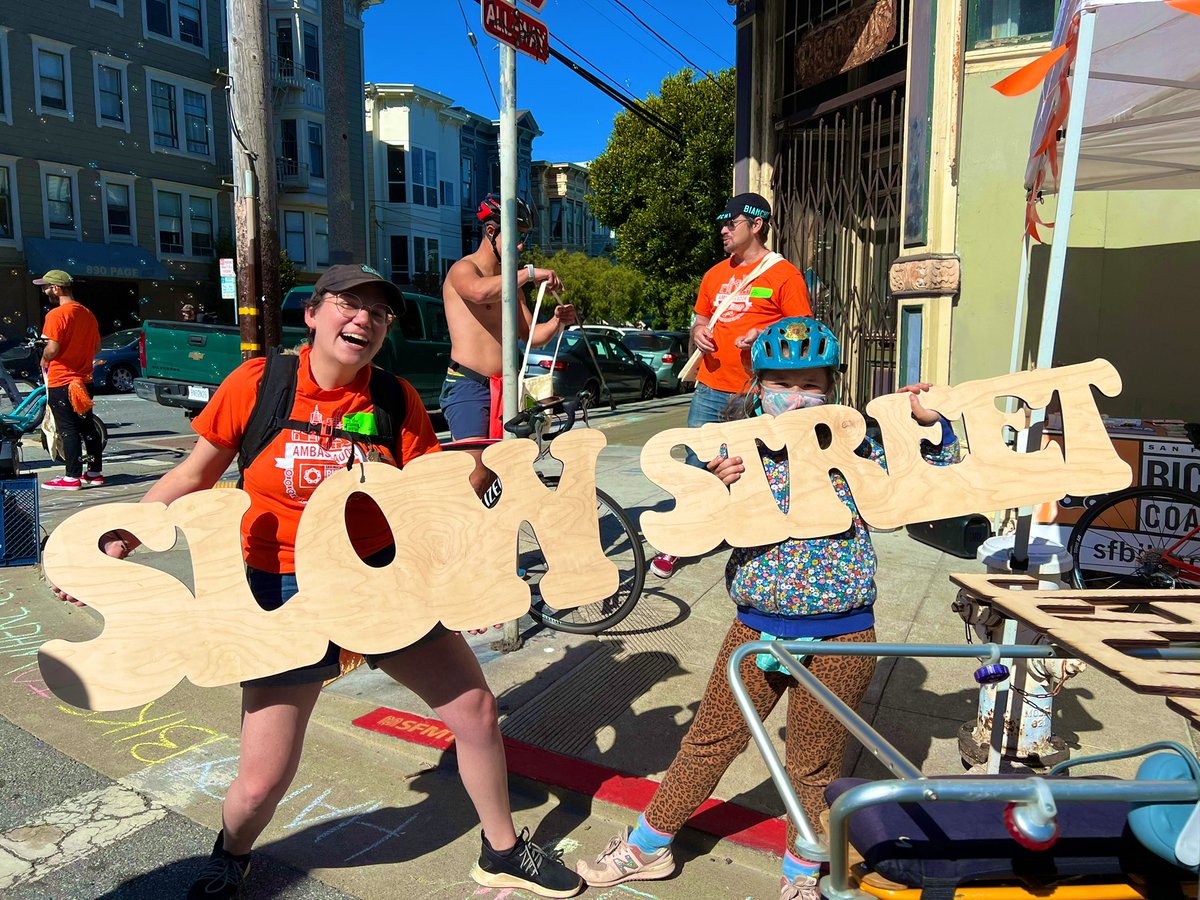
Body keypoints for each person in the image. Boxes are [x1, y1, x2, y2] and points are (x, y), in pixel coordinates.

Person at [52, 264, 582, 900]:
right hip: (281, 591)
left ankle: (501, 851)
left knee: (474, 711)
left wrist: (466, 553)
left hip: (381, 585)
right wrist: (119, 539)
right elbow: (194, 474)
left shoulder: (393, 400)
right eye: (347, 304)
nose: (362, 318)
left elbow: (427, 502)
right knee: (262, 778)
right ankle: (232, 853)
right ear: (313, 314)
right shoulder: (262, 383)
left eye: (378, 313)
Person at [576, 317, 959, 900]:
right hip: (754, 630)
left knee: (813, 763)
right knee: (708, 740)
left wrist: (935, 427)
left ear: (832, 388)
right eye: (782, 382)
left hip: (841, 636)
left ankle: (805, 871)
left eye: (812, 383)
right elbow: (681, 546)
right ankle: (647, 846)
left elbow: (939, 480)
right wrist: (710, 489)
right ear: (758, 386)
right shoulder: (737, 450)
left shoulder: (860, 447)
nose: (797, 396)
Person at [651, 193, 812, 578]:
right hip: (709, 387)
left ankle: (748, 535)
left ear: (756, 225)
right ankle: (679, 540)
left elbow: (803, 331)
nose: (722, 230)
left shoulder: (784, 274)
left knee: (751, 466)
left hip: (754, 393)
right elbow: (698, 321)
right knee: (695, 462)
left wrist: (765, 332)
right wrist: (700, 332)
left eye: (730, 223)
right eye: (721, 223)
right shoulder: (714, 274)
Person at [442, 194, 575, 493]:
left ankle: (494, 533)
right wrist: (528, 274)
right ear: (491, 232)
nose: (520, 247)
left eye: (524, 239)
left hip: (507, 386)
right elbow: (478, 293)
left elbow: (532, 335)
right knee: (474, 474)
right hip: (469, 383)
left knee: (506, 468)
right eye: (516, 238)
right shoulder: (463, 270)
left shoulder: (510, 282)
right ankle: (461, 535)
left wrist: (557, 321)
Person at [36, 270, 104, 491]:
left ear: (56, 288)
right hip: (84, 381)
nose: (44, 290)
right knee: (87, 427)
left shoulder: (56, 315)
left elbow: (53, 348)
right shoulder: (88, 314)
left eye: (46, 287)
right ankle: (94, 473)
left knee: (68, 428)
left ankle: (71, 477)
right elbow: (97, 348)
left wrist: (44, 358)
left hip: (63, 380)